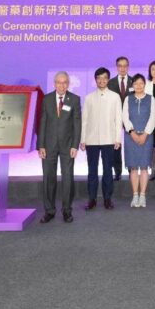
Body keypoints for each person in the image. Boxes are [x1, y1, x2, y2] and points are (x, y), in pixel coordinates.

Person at [37, 72, 82, 223]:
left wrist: (75, 145)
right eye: (59, 82)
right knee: (48, 177)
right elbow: (42, 122)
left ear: (68, 84)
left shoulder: (74, 99)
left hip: (67, 146)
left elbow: (77, 125)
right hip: (48, 146)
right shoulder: (47, 99)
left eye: (64, 82)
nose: (61, 85)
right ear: (54, 83)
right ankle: (49, 211)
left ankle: (67, 211)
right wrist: (41, 145)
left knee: (67, 178)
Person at [80, 67, 122, 210]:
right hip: (91, 140)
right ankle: (92, 199)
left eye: (104, 78)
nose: (101, 80)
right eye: (99, 78)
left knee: (107, 171)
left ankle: (107, 199)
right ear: (95, 80)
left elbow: (118, 119)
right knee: (92, 171)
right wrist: (83, 139)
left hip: (109, 140)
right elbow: (84, 119)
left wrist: (117, 139)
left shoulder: (115, 97)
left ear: (108, 79)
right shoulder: (89, 97)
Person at [123, 74, 155, 208]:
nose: (138, 85)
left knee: (144, 167)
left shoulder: (151, 99)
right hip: (130, 136)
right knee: (133, 167)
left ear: (145, 84)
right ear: (132, 85)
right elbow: (124, 117)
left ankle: (142, 196)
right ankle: (135, 195)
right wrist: (131, 132)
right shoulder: (128, 99)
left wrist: (145, 134)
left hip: (146, 136)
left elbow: (152, 118)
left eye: (141, 83)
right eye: (135, 83)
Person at [106, 56, 131, 181]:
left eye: (125, 65)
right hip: (113, 118)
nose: (122, 68)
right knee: (115, 145)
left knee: (131, 144)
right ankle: (117, 171)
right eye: (120, 66)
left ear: (128, 66)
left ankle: (132, 168)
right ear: (117, 67)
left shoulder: (134, 82)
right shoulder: (109, 83)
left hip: (131, 118)